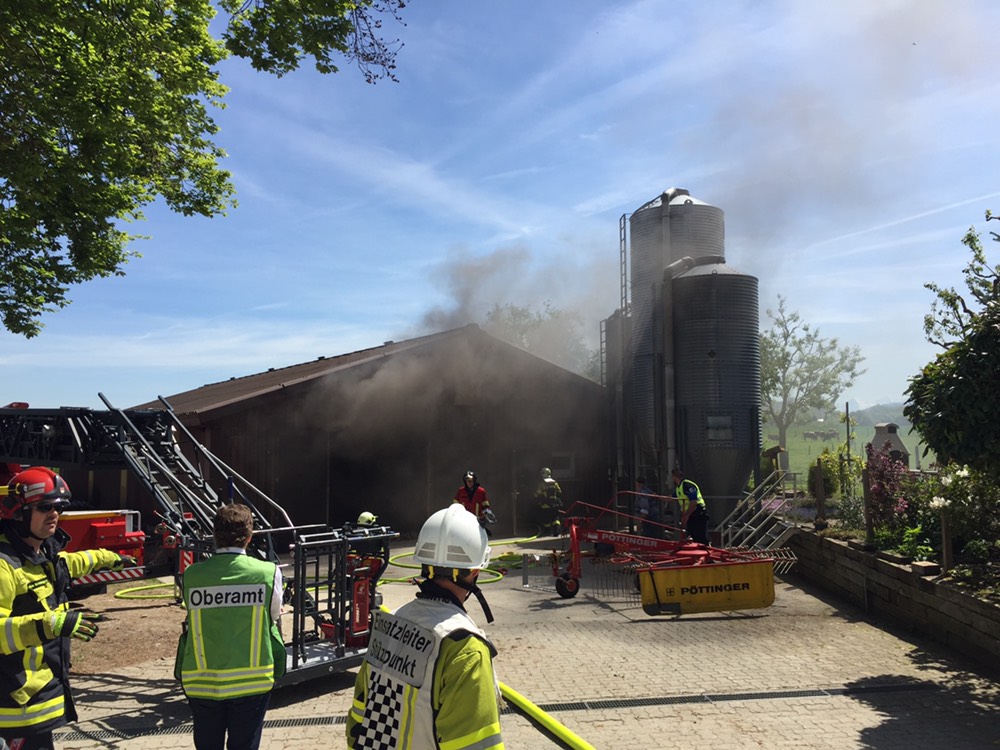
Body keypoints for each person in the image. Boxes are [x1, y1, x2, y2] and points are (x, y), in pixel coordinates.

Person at [346, 504, 503, 749]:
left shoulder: (389, 626)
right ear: (474, 571)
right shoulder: (465, 649)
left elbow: (358, 720)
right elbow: (475, 744)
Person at [0, 466, 136, 749]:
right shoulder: (4, 565)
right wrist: (52, 624)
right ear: (18, 511)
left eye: (59, 507)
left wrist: (106, 557)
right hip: (12, 706)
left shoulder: (40, 552)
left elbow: (65, 564)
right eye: (44, 507)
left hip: (37, 702)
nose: (54, 514)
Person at [175, 503, 286, 750]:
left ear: (214, 536)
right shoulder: (269, 572)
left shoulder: (192, 574)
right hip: (253, 681)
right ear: (249, 537)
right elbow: (274, 613)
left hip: (202, 680)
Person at [672, 468, 710, 544]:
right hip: (691, 515)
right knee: (692, 536)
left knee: (700, 538)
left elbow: (693, 502)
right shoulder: (679, 488)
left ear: (674, 477)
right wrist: (657, 497)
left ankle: (705, 552)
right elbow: (672, 497)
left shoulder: (687, 485)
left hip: (698, 513)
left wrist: (686, 516)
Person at [533, 467, 563, 536]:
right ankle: (557, 531)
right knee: (555, 519)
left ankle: (547, 532)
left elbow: (538, 493)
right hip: (555, 504)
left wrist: (533, 497)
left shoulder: (542, 484)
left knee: (546, 519)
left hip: (545, 505)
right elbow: (559, 492)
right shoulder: (555, 483)